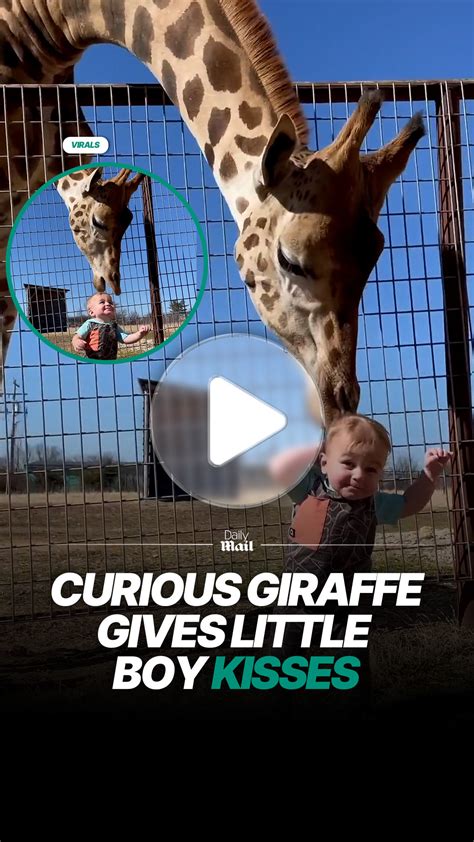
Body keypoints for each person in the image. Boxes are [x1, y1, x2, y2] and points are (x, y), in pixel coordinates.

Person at [270, 413, 452, 651]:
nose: (359, 475)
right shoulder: (308, 489)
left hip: (346, 605)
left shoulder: (374, 503)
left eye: (371, 469)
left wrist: (429, 475)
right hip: (297, 601)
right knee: (286, 657)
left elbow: (410, 503)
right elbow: (278, 466)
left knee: (349, 661)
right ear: (323, 463)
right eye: (348, 464)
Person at [71, 293, 151, 360]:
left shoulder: (114, 326)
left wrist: (139, 334)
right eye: (102, 302)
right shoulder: (89, 324)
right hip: (91, 360)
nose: (108, 304)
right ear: (91, 312)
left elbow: (126, 338)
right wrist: (76, 341)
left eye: (110, 302)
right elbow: (77, 336)